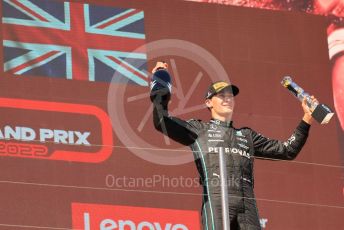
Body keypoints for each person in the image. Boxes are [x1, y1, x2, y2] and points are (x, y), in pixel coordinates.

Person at [150, 61, 314, 230]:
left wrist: (306, 119)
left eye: (230, 96)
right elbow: (161, 121)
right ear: (208, 102)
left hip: (247, 203)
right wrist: (160, 82)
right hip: (216, 200)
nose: (227, 99)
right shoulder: (199, 129)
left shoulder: (247, 135)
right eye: (221, 95)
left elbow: (288, 150)